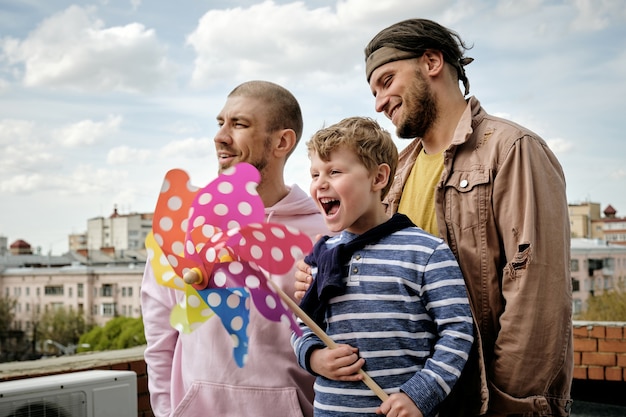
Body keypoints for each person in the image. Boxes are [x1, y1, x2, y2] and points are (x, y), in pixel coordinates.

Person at [295, 19, 573, 417]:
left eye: (387, 80)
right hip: (420, 402)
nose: (378, 102)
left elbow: (537, 298)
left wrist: (508, 405)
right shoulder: (397, 170)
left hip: (487, 403)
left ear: (431, 61)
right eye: (373, 91)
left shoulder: (512, 149)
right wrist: (320, 277)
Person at [141, 80, 329, 417]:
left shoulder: (325, 232)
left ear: (281, 141)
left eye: (239, 124)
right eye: (220, 123)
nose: (220, 136)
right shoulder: (183, 222)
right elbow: (160, 337)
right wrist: (168, 411)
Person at [292, 116, 474, 417]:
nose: (320, 183)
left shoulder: (426, 252)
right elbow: (302, 324)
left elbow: (458, 331)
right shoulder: (321, 256)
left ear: (378, 178)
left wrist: (419, 396)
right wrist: (313, 357)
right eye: (314, 174)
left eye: (334, 171)